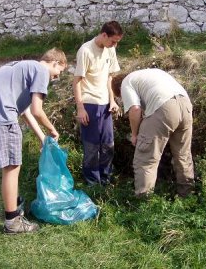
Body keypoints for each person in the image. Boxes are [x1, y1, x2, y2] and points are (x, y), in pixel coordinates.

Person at [0, 48, 67, 234]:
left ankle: (14, 205)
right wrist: (51, 129)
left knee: (10, 167)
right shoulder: (41, 71)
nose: (56, 77)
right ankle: (13, 222)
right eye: (60, 72)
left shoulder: (23, 66)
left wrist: (43, 138)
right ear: (55, 62)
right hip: (1, 115)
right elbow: (37, 111)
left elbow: (24, 112)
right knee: (12, 167)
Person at [111, 68, 195, 197]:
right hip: (185, 105)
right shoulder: (149, 74)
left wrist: (134, 134)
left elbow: (135, 109)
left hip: (164, 107)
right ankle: (188, 195)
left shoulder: (126, 82)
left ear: (119, 90)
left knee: (145, 159)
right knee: (183, 155)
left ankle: (144, 202)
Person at [73, 21, 123, 186]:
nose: (115, 45)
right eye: (113, 41)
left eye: (117, 42)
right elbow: (77, 81)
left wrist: (112, 100)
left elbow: (109, 77)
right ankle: (92, 183)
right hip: (89, 103)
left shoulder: (110, 50)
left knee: (108, 144)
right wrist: (80, 108)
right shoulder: (85, 50)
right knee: (92, 146)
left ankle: (106, 179)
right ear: (103, 35)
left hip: (105, 105)